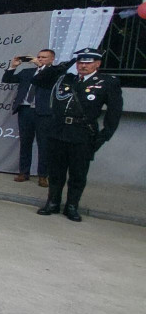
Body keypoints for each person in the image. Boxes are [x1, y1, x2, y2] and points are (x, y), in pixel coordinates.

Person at [33, 48, 123, 222]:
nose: (83, 66)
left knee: (78, 174)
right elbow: (38, 80)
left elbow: (114, 113)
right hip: (58, 132)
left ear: (97, 64)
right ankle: (52, 202)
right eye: (80, 62)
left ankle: (72, 206)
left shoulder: (107, 82)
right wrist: (62, 66)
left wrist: (103, 137)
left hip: (82, 134)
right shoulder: (67, 78)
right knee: (56, 171)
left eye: (88, 63)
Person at [2, 50, 56, 186]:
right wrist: (13, 66)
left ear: (52, 59)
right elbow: (7, 80)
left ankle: (43, 175)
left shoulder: (54, 73)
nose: (40, 59)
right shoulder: (27, 72)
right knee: (25, 142)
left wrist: (42, 68)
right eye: (39, 57)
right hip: (25, 110)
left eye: (44, 57)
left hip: (43, 112)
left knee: (44, 144)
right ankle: (23, 172)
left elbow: (51, 82)